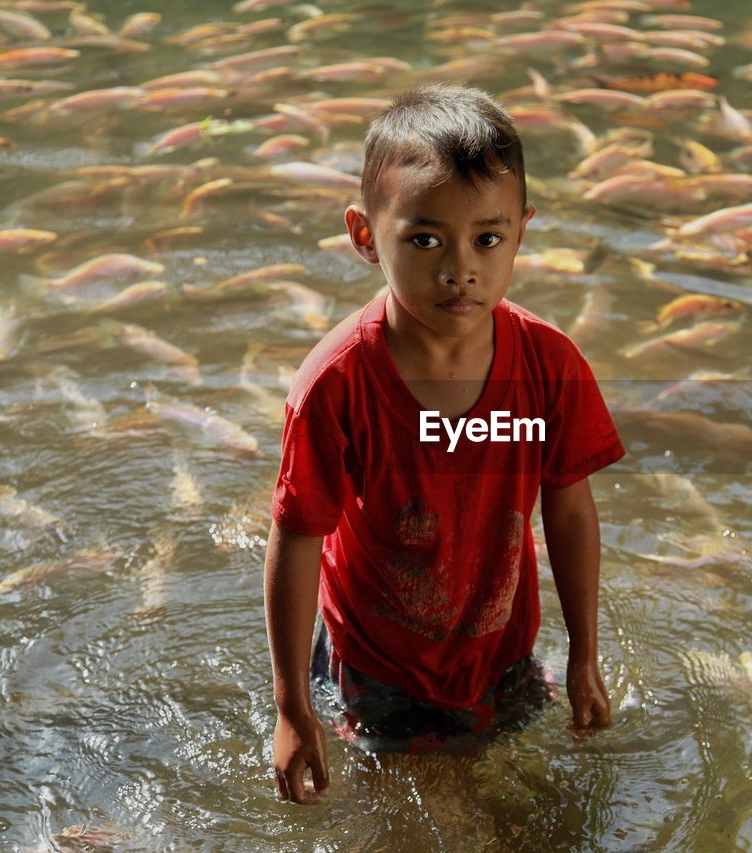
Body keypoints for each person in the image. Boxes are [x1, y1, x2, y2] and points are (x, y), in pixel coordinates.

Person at [264, 83, 625, 804]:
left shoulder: (549, 365)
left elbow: (571, 511)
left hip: (501, 645)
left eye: (487, 239)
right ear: (366, 236)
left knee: (529, 810)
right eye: (424, 239)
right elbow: (297, 536)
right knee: (400, 813)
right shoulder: (338, 384)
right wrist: (289, 706)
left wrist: (583, 654)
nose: (460, 267)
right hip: (375, 661)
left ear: (521, 231)